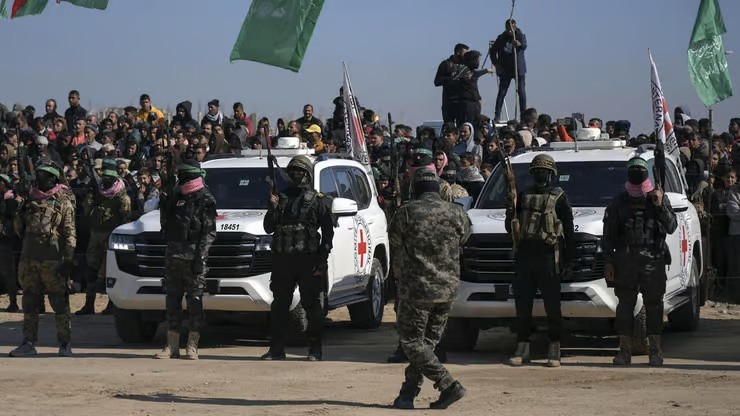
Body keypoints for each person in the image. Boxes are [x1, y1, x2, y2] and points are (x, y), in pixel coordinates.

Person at [389, 168, 471, 410]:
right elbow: (465, 238)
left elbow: (394, 240)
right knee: (426, 344)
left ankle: (448, 384)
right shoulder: (457, 212)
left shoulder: (407, 212)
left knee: (411, 342)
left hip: (418, 289)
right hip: (448, 288)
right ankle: (407, 394)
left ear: (415, 189)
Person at [602, 157, 677, 367]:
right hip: (626, 260)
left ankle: (655, 351)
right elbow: (608, 236)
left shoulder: (658, 197)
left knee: (654, 306)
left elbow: (671, 226)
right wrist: (608, 261)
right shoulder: (619, 201)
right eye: (633, 169)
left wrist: (660, 206)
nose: (637, 172)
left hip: (653, 259)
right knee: (625, 306)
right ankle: (624, 351)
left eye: (640, 169)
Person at [261, 155, 335, 361]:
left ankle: (315, 349)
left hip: (308, 261)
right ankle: (276, 349)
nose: (295, 175)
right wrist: (272, 207)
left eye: (300, 171)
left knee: (312, 306)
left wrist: (322, 260)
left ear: (307, 174)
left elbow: (328, 234)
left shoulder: (319, 201)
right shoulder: (281, 198)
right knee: (279, 306)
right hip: (283, 262)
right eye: (292, 171)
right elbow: (268, 227)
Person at [506, 153, 574, 367]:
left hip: (549, 256)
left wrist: (569, 261)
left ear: (551, 174)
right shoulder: (523, 195)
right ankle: (522, 345)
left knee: (552, 306)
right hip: (525, 256)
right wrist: (510, 208)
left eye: (544, 171)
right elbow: (511, 227)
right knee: (522, 306)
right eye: (537, 171)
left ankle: (554, 347)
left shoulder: (560, 197)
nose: (541, 175)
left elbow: (569, 230)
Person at [9, 162, 76, 357]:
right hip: (29, 258)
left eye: (44, 176)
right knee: (29, 301)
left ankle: (64, 343)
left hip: (52, 260)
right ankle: (28, 343)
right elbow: (19, 230)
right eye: (38, 175)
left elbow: (69, 232)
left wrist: (68, 259)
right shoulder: (30, 199)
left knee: (59, 303)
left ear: (53, 178)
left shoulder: (62, 200)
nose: (39, 179)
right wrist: (19, 208)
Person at [155, 159, 217, 360]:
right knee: (172, 300)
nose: (181, 178)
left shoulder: (205, 198)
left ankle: (192, 345)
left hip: (193, 257)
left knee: (195, 301)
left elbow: (209, 232)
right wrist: (164, 201)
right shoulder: (176, 195)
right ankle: (172, 346)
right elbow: (165, 225)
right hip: (174, 256)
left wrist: (201, 257)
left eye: (184, 175)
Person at [76, 160, 131, 315]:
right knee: (91, 271)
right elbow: (87, 211)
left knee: (111, 272)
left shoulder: (122, 197)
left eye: (109, 178)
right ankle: (89, 304)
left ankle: (112, 304)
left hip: (111, 237)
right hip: (96, 235)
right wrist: (90, 195)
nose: (105, 181)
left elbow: (125, 222)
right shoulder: (98, 191)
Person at [491, 19, 527, 122]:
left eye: (511, 29)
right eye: (507, 29)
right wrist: (496, 64)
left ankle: (523, 116)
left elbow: (524, 45)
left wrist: (519, 44)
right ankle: (497, 115)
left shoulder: (520, 35)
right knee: (502, 92)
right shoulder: (501, 38)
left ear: (515, 27)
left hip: (518, 69)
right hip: (505, 69)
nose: (509, 31)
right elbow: (492, 51)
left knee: (521, 92)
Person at [434, 43, 469, 125]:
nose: (466, 56)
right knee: (449, 127)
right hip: (449, 102)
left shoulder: (466, 66)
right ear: (458, 52)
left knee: (462, 126)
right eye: (464, 53)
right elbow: (437, 82)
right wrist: (452, 78)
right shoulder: (446, 64)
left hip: (462, 102)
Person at [0, 174, 19, 312]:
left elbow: (12, 219)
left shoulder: (10, 200)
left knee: (8, 273)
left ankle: (13, 302)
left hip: (5, 241)